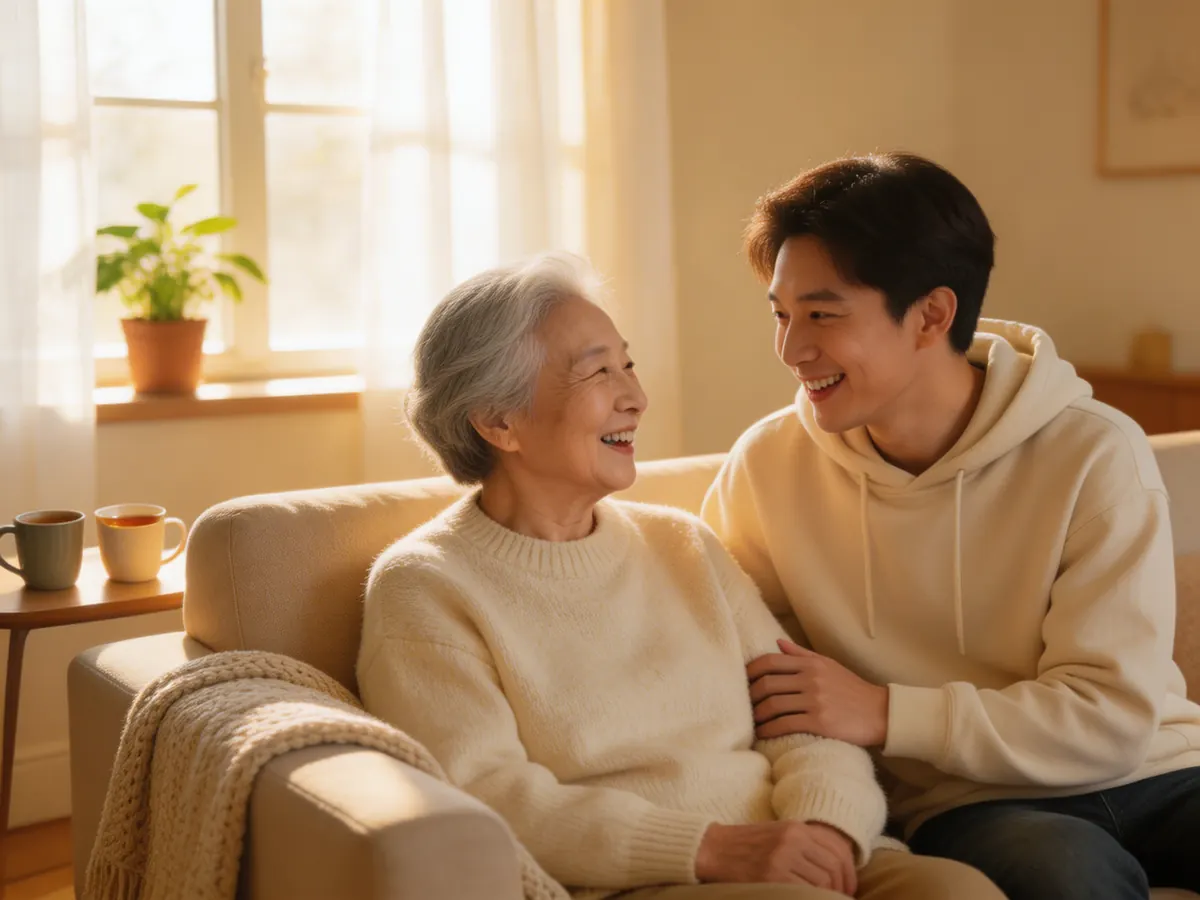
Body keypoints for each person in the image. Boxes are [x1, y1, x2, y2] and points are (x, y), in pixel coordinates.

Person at [357, 253, 1002, 899]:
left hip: (802, 853)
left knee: (961, 892)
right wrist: (711, 849)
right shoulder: (425, 587)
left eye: (628, 365)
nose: (635, 397)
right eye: (597, 373)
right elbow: (488, 796)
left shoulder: (681, 542)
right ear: (499, 421)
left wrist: (826, 828)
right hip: (646, 878)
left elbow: (802, 718)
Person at [701, 151, 1200, 900]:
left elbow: (1111, 715)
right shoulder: (768, 467)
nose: (791, 349)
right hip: (968, 802)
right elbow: (732, 663)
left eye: (823, 315)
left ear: (932, 315)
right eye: (781, 313)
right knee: (1065, 877)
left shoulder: (1092, 451)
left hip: (1161, 770)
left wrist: (884, 710)